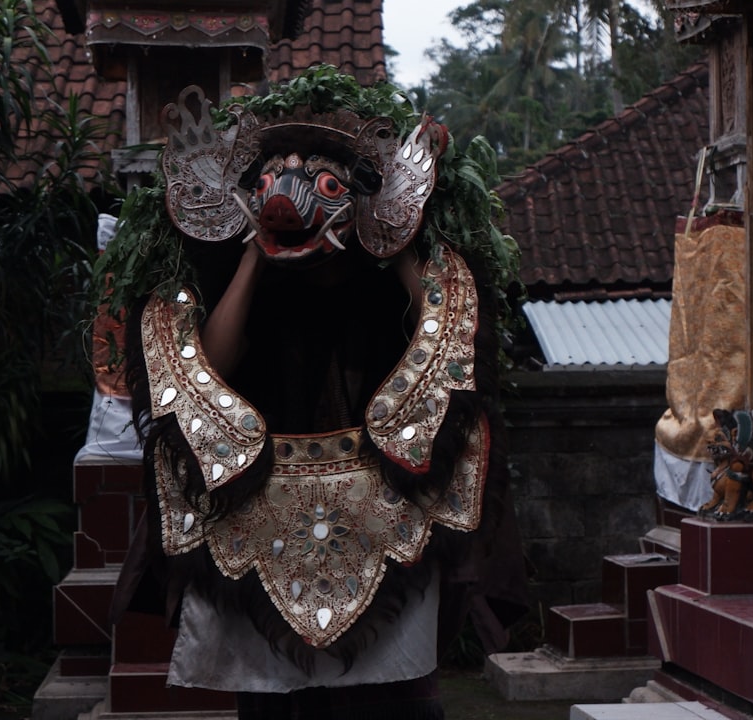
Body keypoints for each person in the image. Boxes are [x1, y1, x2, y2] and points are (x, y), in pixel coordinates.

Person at [107, 67, 528, 719]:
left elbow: (444, 327)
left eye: (326, 186)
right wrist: (254, 253)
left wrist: (396, 237)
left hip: (384, 499)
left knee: (391, 700)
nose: (287, 200)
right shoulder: (248, 279)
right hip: (260, 501)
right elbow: (211, 363)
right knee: (272, 702)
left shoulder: (379, 278)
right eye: (268, 187)